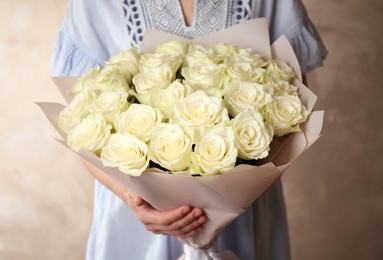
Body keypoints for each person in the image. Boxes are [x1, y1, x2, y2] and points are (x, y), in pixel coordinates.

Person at [51, 0, 327, 259]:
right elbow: (81, 127)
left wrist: (233, 199)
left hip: (243, 216)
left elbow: (294, 103)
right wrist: (134, 200)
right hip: (135, 218)